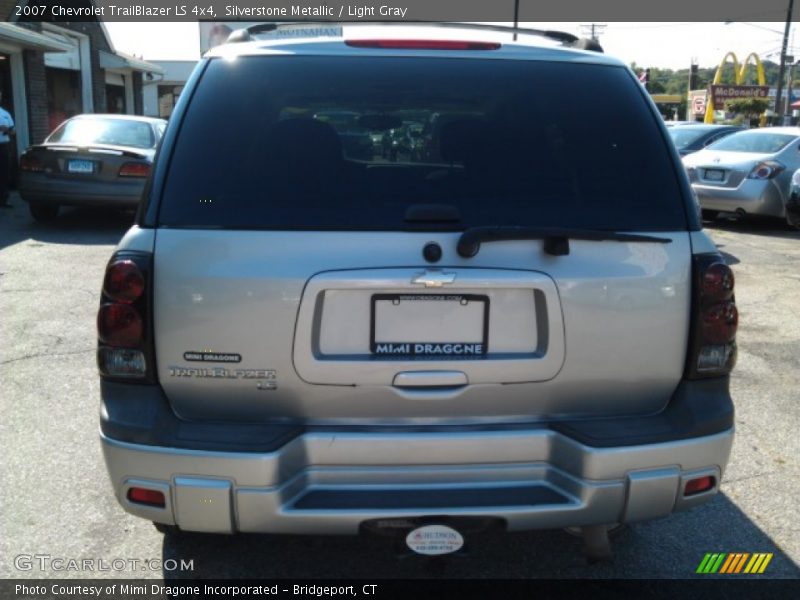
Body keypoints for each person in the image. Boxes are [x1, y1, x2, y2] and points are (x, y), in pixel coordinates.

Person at [0, 90, 14, 208]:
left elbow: (13, 131)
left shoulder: (5, 113)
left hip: (4, 146)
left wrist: (7, 130)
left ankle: (4, 199)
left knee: (4, 172)